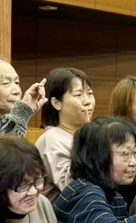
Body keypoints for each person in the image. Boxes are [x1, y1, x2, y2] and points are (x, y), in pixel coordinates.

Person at [55, 116, 136, 223]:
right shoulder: (83, 193)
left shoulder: (115, 196)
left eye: (135, 153)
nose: (134, 162)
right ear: (98, 156)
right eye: (125, 154)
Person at [35, 67, 95, 202]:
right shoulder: (52, 139)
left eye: (90, 93)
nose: (87, 101)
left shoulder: (86, 135)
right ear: (56, 103)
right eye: (78, 95)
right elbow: (72, 187)